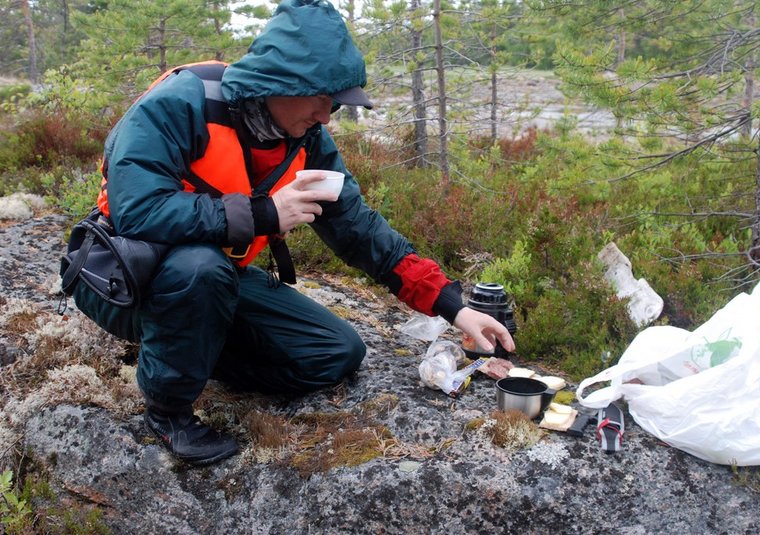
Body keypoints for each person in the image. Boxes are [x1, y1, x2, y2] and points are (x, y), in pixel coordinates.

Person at [71, 0, 515, 466]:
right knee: (198, 267)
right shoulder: (179, 105)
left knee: (335, 353)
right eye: (323, 99)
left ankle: (186, 346)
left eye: (336, 104)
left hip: (210, 281)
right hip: (123, 279)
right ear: (281, 84)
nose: (328, 115)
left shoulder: (306, 139)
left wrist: (452, 306)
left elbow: (359, 229)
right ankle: (168, 411)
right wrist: (263, 214)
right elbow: (137, 210)